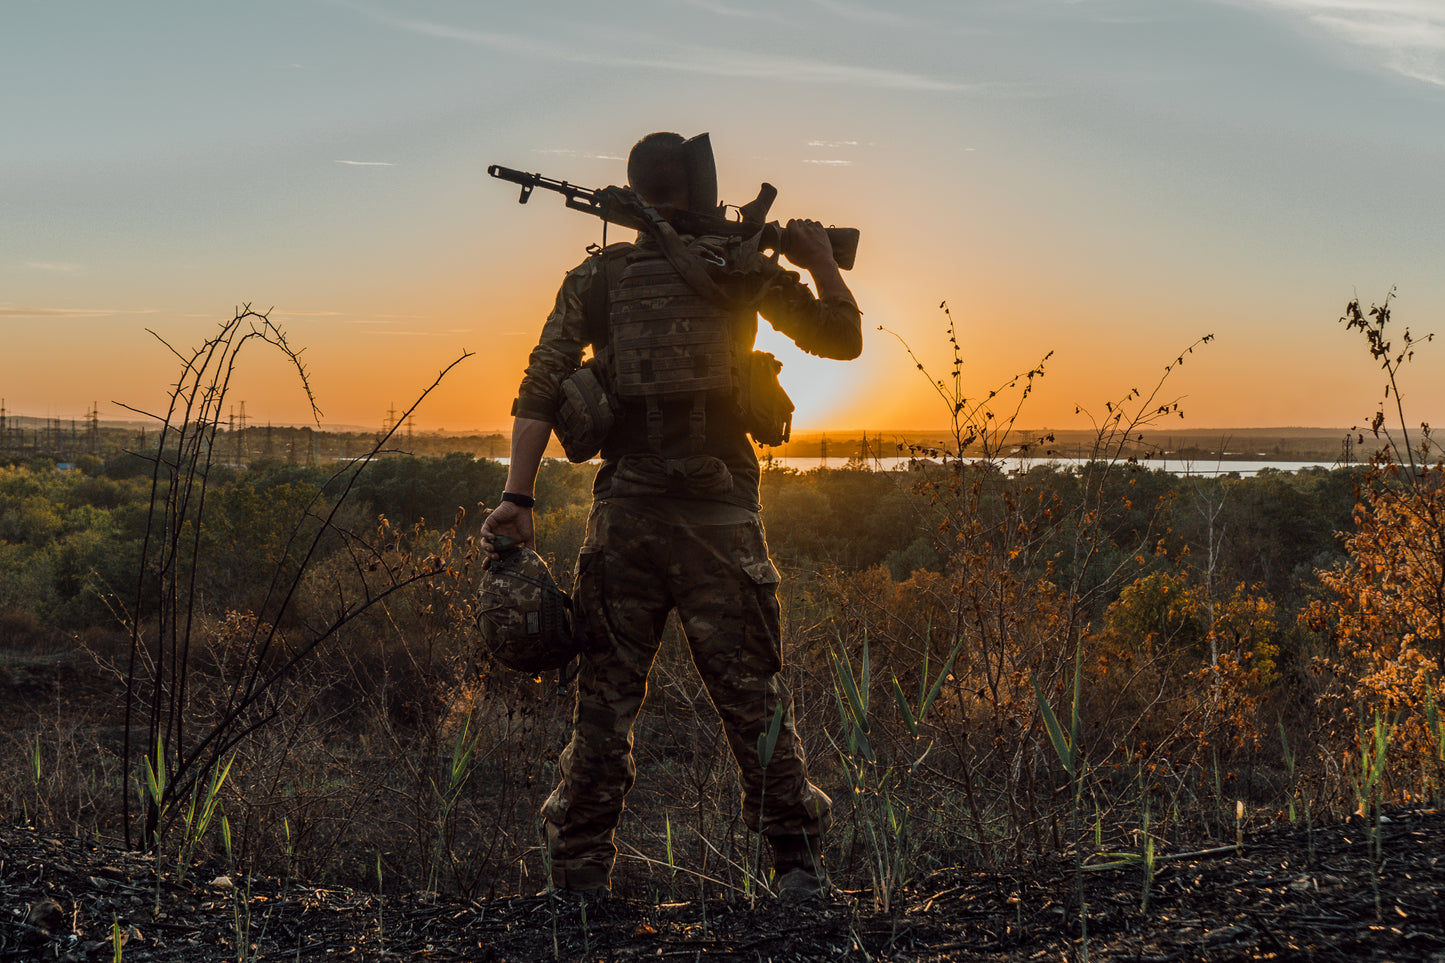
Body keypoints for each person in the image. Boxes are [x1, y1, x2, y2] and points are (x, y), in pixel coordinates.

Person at [480, 131, 862, 899]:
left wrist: (516, 498)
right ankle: (796, 870)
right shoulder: (743, 271)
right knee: (752, 696)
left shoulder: (598, 276)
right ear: (700, 186)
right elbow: (843, 339)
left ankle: (580, 874)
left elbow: (539, 385)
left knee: (604, 703)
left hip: (624, 518)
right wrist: (818, 259)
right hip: (719, 512)